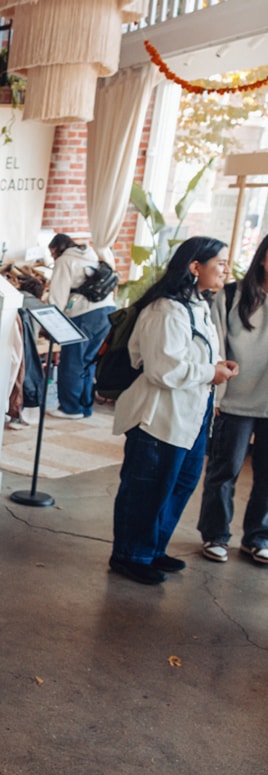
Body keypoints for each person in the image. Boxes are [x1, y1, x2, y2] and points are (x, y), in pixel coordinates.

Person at [108, 236, 238, 585]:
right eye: (220, 263)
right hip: (158, 417)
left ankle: (152, 549)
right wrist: (212, 372)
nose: (226, 268)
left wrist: (216, 366)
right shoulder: (165, 309)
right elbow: (162, 369)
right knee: (147, 488)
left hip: (190, 416)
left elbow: (192, 359)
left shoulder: (198, 306)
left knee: (178, 484)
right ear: (195, 267)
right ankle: (129, 556)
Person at [197, 233, 268, 564]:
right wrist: (218, 396)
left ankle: (258, 536)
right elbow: (217, 345)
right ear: (264, 259)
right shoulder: (230, 295)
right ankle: (216, 535)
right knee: (225, 469)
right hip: (235, 399)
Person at [46, 234, 118, 419]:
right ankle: (85, 407)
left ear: (55, 249)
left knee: (72, 361)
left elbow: (58, 295)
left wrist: (51, 323)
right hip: (108, 311)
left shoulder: (65, 261)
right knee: (88, 362)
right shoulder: (92, 255)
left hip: (83, 314)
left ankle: (70, 408)